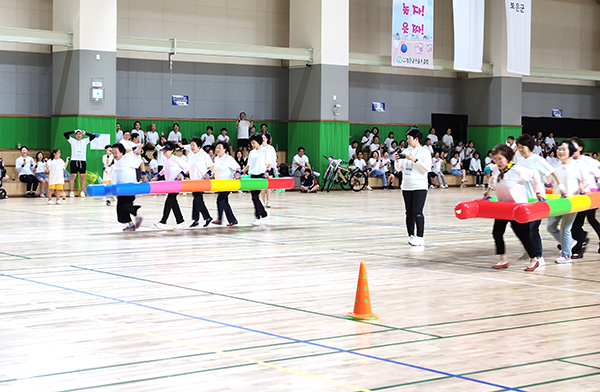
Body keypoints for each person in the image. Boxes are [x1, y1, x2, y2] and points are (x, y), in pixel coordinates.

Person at [483, 144, 545, 271]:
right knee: (497, 233)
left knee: (523, 235)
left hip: (517, 209)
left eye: (500, 158)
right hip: (503, 208)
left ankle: (534, 259)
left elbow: (535, 174)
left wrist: (538, 192)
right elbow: (493, 180)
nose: (498, 162)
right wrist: (489, 190)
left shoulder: (517, 170)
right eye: (495, 159)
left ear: (507, 158)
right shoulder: (496, 169)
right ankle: (503, 259)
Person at [546, 139, 588, 263]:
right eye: (559, 149)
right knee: (551, 227)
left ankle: (566, 255)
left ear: (570, 151)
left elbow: (586, 181)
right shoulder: (554, 166)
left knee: (565, 228)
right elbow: (547, 180)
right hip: (557, 202)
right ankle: (570, 242)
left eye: (564, 149)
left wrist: (582, 187)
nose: (561, 151)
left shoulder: (577, 166)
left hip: (571, 202)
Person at [394, 128, 432, 246]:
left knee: (417, 211)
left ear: (416, 139)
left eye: (409, 139)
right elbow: (399, 169)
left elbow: (427, 168)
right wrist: (396, 161)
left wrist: (415, 160)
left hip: (419, 185)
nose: (408, 141)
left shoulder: (424, 152)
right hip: (406, 185)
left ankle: (420, 237)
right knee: (408, 212)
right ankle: (411, 235)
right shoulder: (405, 151)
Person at [569, 137, 600, 258]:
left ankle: (578, 247)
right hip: (576, 197)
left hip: (589, 197)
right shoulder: (569, 161)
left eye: (574, 146)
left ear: (580, 148)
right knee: (589, 220)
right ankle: (578, 241)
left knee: (577, 223)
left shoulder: (588, 161)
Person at [153, 141, 189, 231]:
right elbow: (164, 170)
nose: (164, 152)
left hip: (176, 183)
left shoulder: (176, 159)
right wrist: (157, 176)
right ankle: (181, 221)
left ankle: (163, 221)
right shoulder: (165, 160)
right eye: (164, 150)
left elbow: (187, 167)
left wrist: (182, 174)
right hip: (169, 184)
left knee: (169, 201)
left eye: (167, 150)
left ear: (172, 150)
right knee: (173, 203)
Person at [179, 137, 214, 228]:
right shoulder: (190, 155)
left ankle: (197, 219)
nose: (191, 147)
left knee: (197, 199)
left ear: (199, 146)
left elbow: (211, 166)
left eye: (193, 145)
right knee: (198, 199)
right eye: (191, 145)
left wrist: (208, 173)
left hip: (201, 181)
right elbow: (188, 167)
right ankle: (205, 218)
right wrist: (183, 175)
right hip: (193, 181)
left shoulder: (204, 155)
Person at [111, 143, 143, 231]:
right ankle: (131, 224)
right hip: (120, 189)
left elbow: (141, 163)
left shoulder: (128, 159)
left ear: (122, 152)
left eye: (116, 152)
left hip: (130, 187)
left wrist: (144, 175)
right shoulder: (115, 161)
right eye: (113, 152)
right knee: (120, 209)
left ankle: (137, 216)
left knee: (126, 206)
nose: (114, 155)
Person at [212, 141, 241, 226]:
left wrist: (237, 173)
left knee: (220, 200)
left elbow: (237, 168)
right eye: (216, 148)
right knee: (224, 201)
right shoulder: (216, 159)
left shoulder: (228, 158)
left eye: (220, 148)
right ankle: (230, 219)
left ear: (225, 149)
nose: (217, 149)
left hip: (227, 183)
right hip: (218, 184)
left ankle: (221, 219)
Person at [64, 129, 97, 198]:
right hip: (74, 161)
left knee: (82, 177)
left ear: (82, 135)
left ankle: (82, 191)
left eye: (80, 134)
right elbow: (65, 134)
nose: (78, 135)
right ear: (75, 135)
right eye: (77, 134)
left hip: (82, 161)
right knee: (73, 176)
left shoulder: (85, 141)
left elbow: (93, 136)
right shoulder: (72, 140)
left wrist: (86, 133)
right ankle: (71, 192)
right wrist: (73, 131)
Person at [246, 133, 270, 225]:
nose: (252, 144)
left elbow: (269, 164)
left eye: (253, 142)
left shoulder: (265, 151)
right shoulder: (252, 152)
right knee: (254, 197)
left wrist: (267, 171)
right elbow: (248, 165)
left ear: (258, 142)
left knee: (255, 196)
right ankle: (261, 216)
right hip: (253, 175)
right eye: (251, 143)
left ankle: (261, 216)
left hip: (260, 175)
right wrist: (240, 172)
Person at [261, 132, 278, 208]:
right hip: (261, 168)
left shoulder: (271, 148)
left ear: (267, 139)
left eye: (264, 137)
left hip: (269, 168)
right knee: (262, 186)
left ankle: (268, 201)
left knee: (269, 185)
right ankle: (263, 201)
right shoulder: (259, 148)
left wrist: (275, 168)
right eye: (262, 138)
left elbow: (273, 159)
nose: (263, 139)